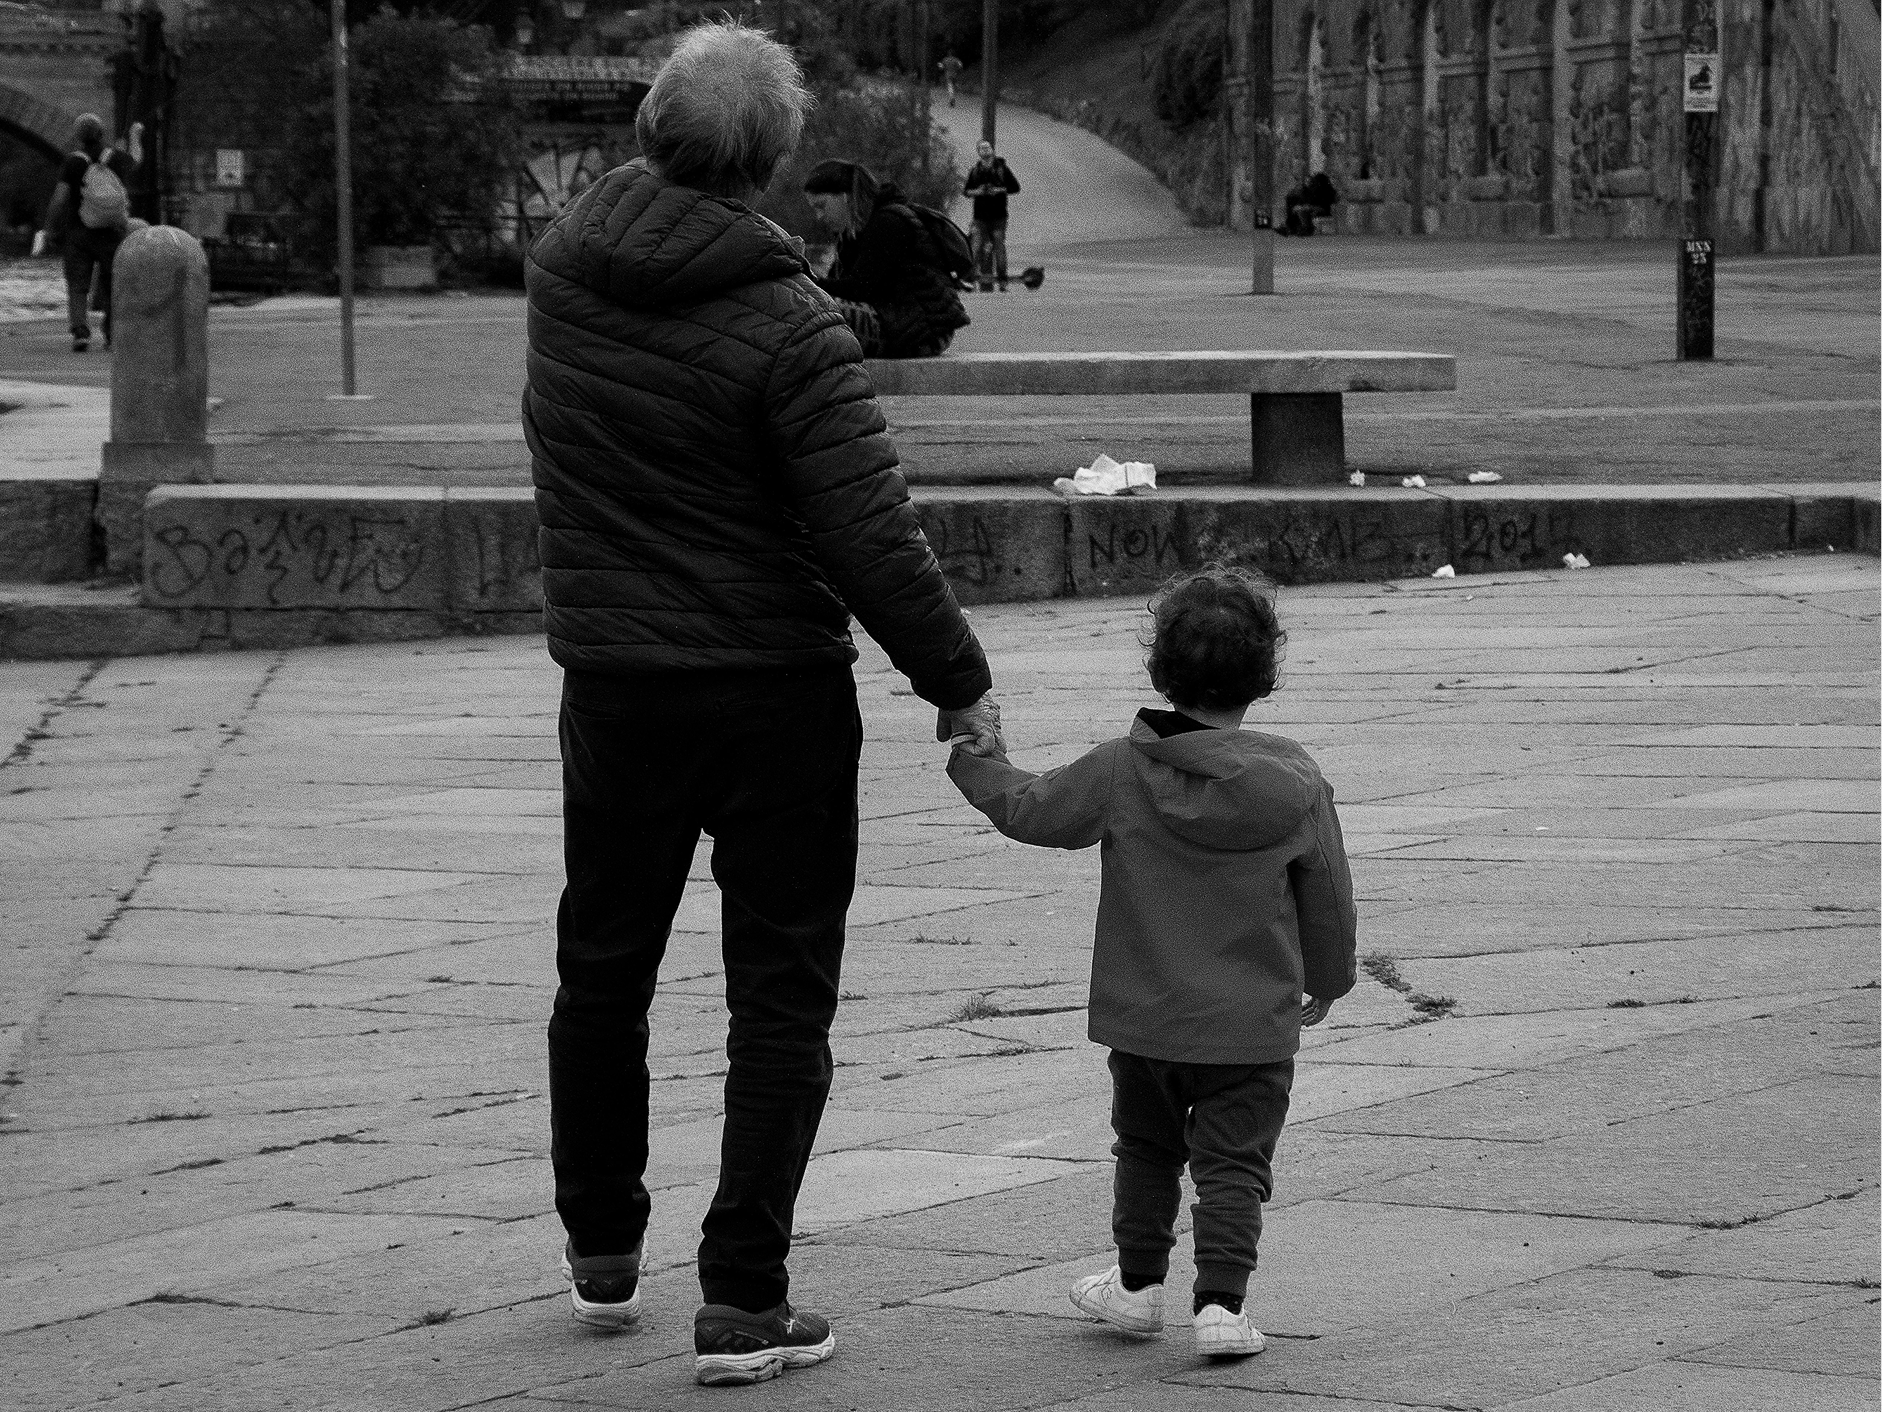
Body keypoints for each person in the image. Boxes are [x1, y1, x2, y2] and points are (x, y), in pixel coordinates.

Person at [523, 20, 1003, 1389]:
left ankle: (602, 1252)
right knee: (779, 994)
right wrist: (959, 687)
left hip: (614, 684)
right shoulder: (792, 321)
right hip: (774, 695)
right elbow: (868, 535)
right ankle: (741, 1298)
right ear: (778, 163)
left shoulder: (561, 278)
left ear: (643, 135)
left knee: (602, 966)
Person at [946, 564, 1357, 1360]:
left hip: (1145, 1021)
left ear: (1160, 671)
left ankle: (1135, 1290)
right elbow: (1330, 895)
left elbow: (1031, 810)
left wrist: (976, 758)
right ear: (1264, 675)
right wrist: (1330, 978)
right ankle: (1221, 1308)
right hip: (1249, 1028)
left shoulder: (1120, 768)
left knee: (1145, 1150)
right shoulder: (1297, 780)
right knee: (1233, 1166)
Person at [802, 160, 969, 359]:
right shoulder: (855, 232)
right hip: (900, 323)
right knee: (804, 306)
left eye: (822, 206)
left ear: (845, 197)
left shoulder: (888, 222)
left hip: (921, 332)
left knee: (807, 307)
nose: (819, 216)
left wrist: (808, 282)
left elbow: (859, 288)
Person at [34, 115, 142, 352]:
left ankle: (81, 332)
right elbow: (136, 160)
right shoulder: (114, 157)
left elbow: (60, 199)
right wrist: (135, 134)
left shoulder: (73, 162)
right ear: (102, 133)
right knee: (112, 282)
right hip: (112, 232)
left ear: (78, 137)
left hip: (78, 232)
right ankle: (112, 334)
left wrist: (50, 228)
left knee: (77, 284)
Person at [962, 138, 1021, 291]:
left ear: (992, 150)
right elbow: (966, 191)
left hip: (999, 216)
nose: (986, 150)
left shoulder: (1002, 169)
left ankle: (1002, 281)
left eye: (988, 147)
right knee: (974, 247)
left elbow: (1015, 187)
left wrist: (999, 190)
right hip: (980, 217)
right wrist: (979, 192)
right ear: (979, 152)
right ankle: (970, 280)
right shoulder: (975, 171)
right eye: (982, 148)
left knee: (999, 247)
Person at [1282, 171, 1339, 236]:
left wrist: (1309, 206)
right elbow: (1310, 201)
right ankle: (1293, 228)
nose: (1315, 183)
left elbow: (1324, 204)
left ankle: (1306, 228)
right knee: (1297, 209)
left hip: (1323, 209)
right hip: (1315, 208)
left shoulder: (1328, 191)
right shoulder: (1314, 190)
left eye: (1315, 181)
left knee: (1301, 210)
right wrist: (1307, 205)